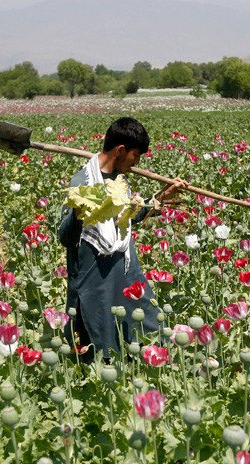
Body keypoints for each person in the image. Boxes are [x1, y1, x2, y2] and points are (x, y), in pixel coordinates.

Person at [58, 117, 187, 362]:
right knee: (101, 344)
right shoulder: (82, 183)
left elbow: (126, 216)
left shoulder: (118, 181)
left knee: (149, 326)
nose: (137, 163)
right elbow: (65, 237)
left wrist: (161, 197)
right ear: (120, 150)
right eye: (135, 155)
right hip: (96, 277)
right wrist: (77, 212)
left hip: (125, 270)